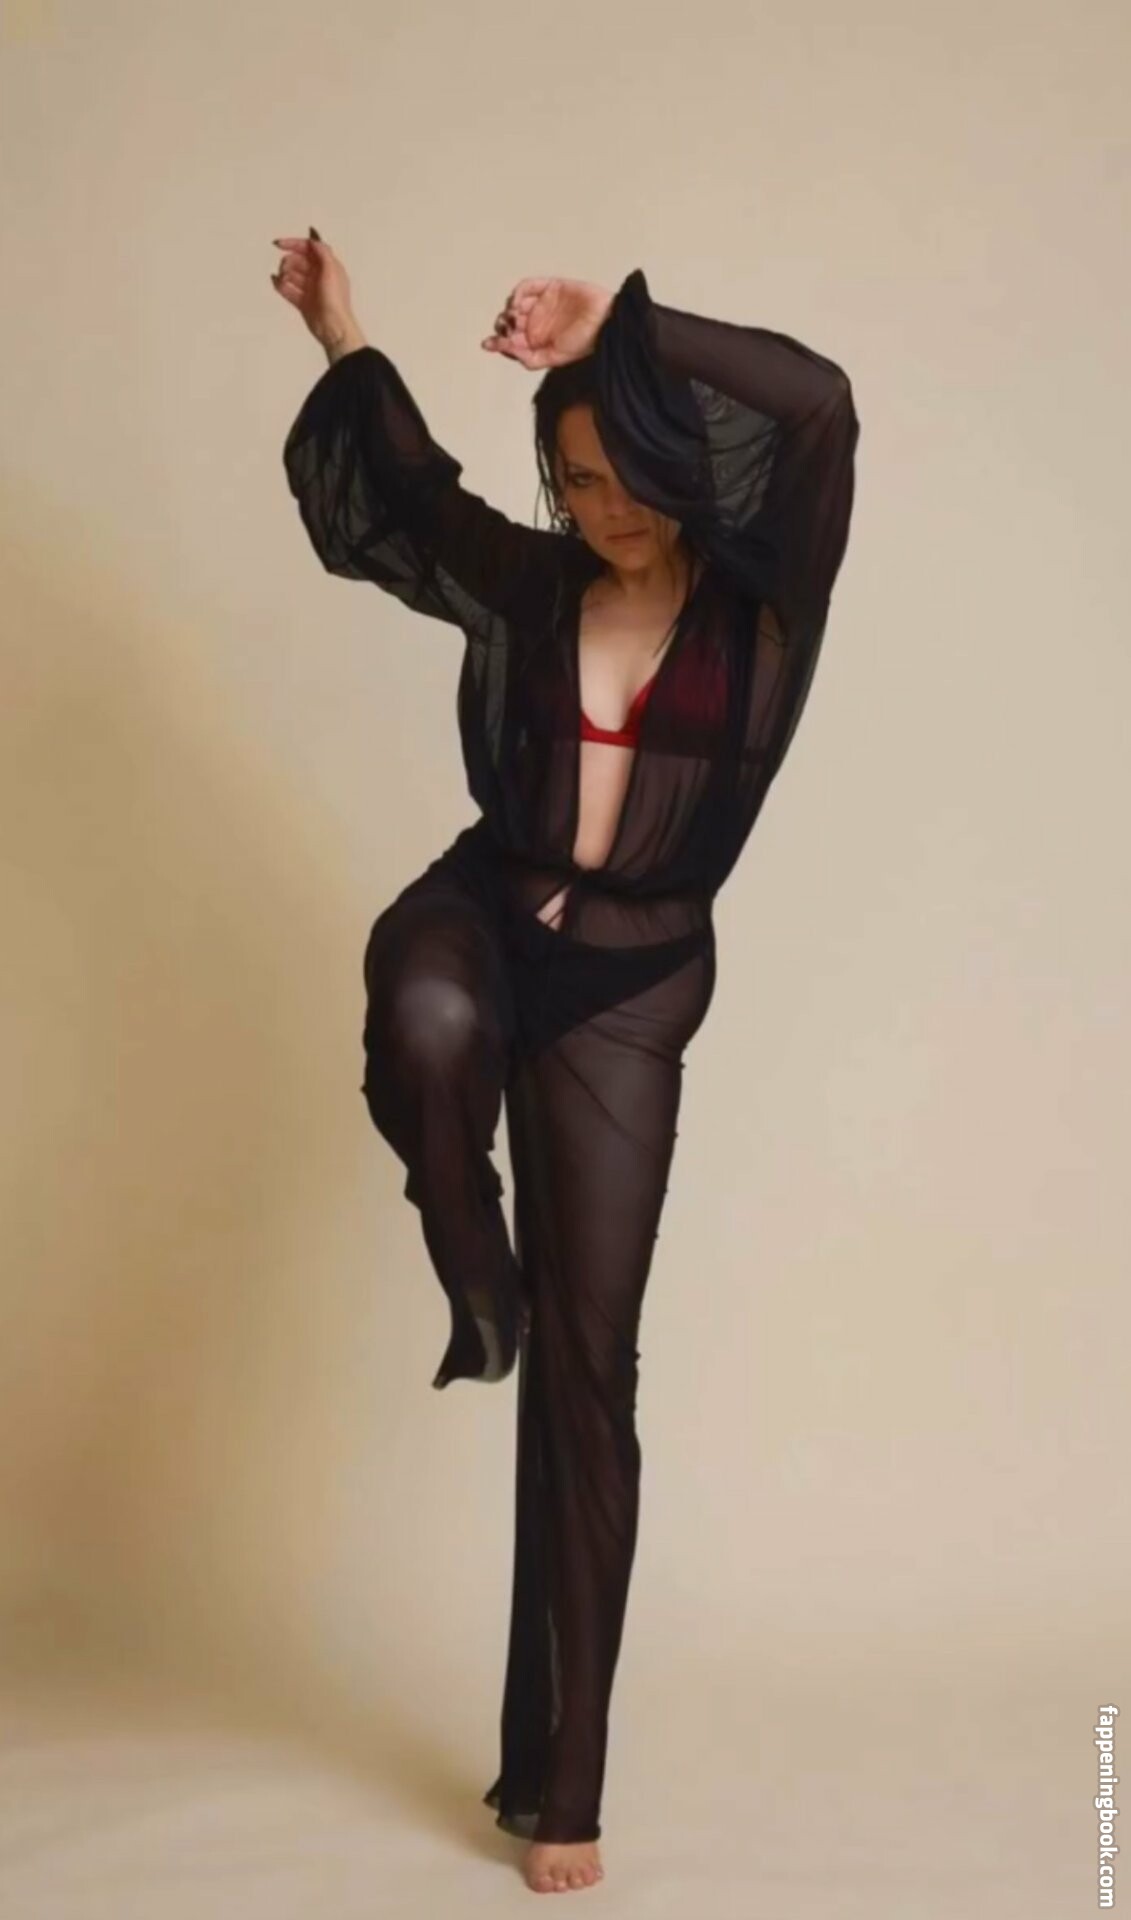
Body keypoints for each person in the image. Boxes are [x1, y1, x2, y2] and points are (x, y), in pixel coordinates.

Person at [272, 228, 860, 1894]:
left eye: (629, 476)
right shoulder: (535, 589)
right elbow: (405, 495)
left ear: (681, 462)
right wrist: (342, 331)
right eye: (579, 480)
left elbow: (818, 403)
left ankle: (564, 1783)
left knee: (593, 1379)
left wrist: (616, 328)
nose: (607, 511)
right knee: (422, 1013)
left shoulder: (767, 605)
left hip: (632, 988)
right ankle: (478, 1274)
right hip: (486, 913)